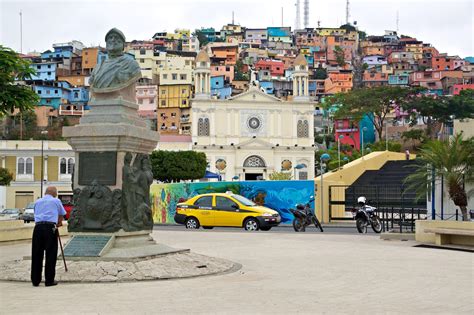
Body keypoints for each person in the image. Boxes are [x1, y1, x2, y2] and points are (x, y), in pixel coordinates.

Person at [31, 186, 66, 287]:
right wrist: (58, 223)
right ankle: (49, 280)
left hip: (38, 228)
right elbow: (62, 214)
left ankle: (35, 280)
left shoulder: (38, 201)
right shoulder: (56, 201)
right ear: (54, 193)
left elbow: (36, 213)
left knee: (36, 253)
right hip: (50, 228)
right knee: (50, 253)